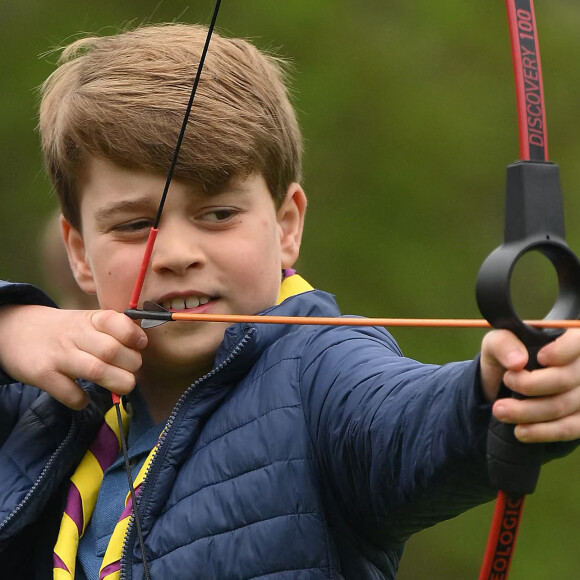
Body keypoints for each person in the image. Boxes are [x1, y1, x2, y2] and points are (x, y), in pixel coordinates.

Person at [0, 23, 579, 580]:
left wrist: (498, 390)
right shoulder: (40, 404)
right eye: (134, 225)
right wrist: (12, 323)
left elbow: (410, 421)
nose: (176, 253)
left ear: (286, 225)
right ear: (79, 251)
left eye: (219, 213)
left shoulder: (321, 369)